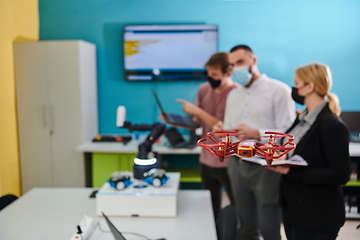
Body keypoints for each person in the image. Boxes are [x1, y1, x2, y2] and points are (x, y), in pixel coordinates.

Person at [213, 45, 295, 240]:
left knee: (268, 225)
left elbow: (289, 134)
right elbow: (231, 131)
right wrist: (223, 133)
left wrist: (257, 134)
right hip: (237, 165)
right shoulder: (233, 95)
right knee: (246, 226)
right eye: (232, 65)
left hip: (266, 167)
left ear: (253, 61)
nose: (236, 69)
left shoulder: (279, 90)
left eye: (240, 62)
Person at [268, 63, 350, 240]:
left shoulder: (332, 125)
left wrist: (290, 170)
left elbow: (340, 174)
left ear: (309, 87)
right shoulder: (302, 119)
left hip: (317, 217)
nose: (294, 88)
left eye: (296, 83)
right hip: (294, 211)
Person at [165, 52, 238, 219]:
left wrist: (197, 110)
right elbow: (197, 122)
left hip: (228, 160)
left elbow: (223, 127)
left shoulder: (237, 94)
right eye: (208, 74)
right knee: (210, 207)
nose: (210, 78)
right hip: (206, 159)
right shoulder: (204, 89)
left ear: (228, 73)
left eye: (214, 75)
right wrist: (174, 121)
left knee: (237, 207)